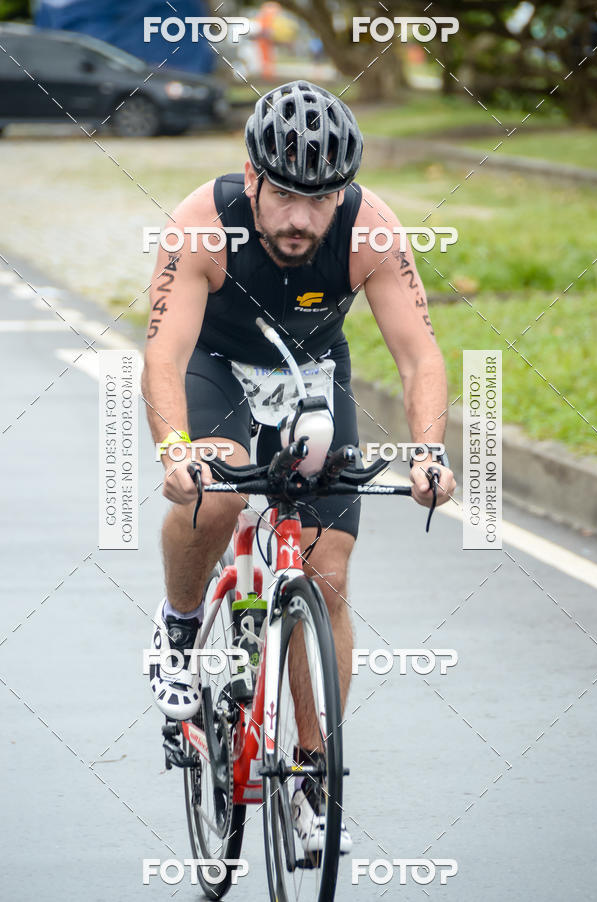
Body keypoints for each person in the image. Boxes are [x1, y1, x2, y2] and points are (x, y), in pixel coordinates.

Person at [142, 80, 456, 853]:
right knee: (214, 500)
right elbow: (165, 353)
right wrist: (176, 451)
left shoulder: (371, 232)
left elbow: (419, 357)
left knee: (328, 572)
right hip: (215, 365)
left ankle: (314, 778)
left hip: (311, 375)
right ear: (252, 176)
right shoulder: (202, 225)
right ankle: (179, 633)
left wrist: (430, 452)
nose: (300, 219)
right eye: (284, 194)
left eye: (321, 199)